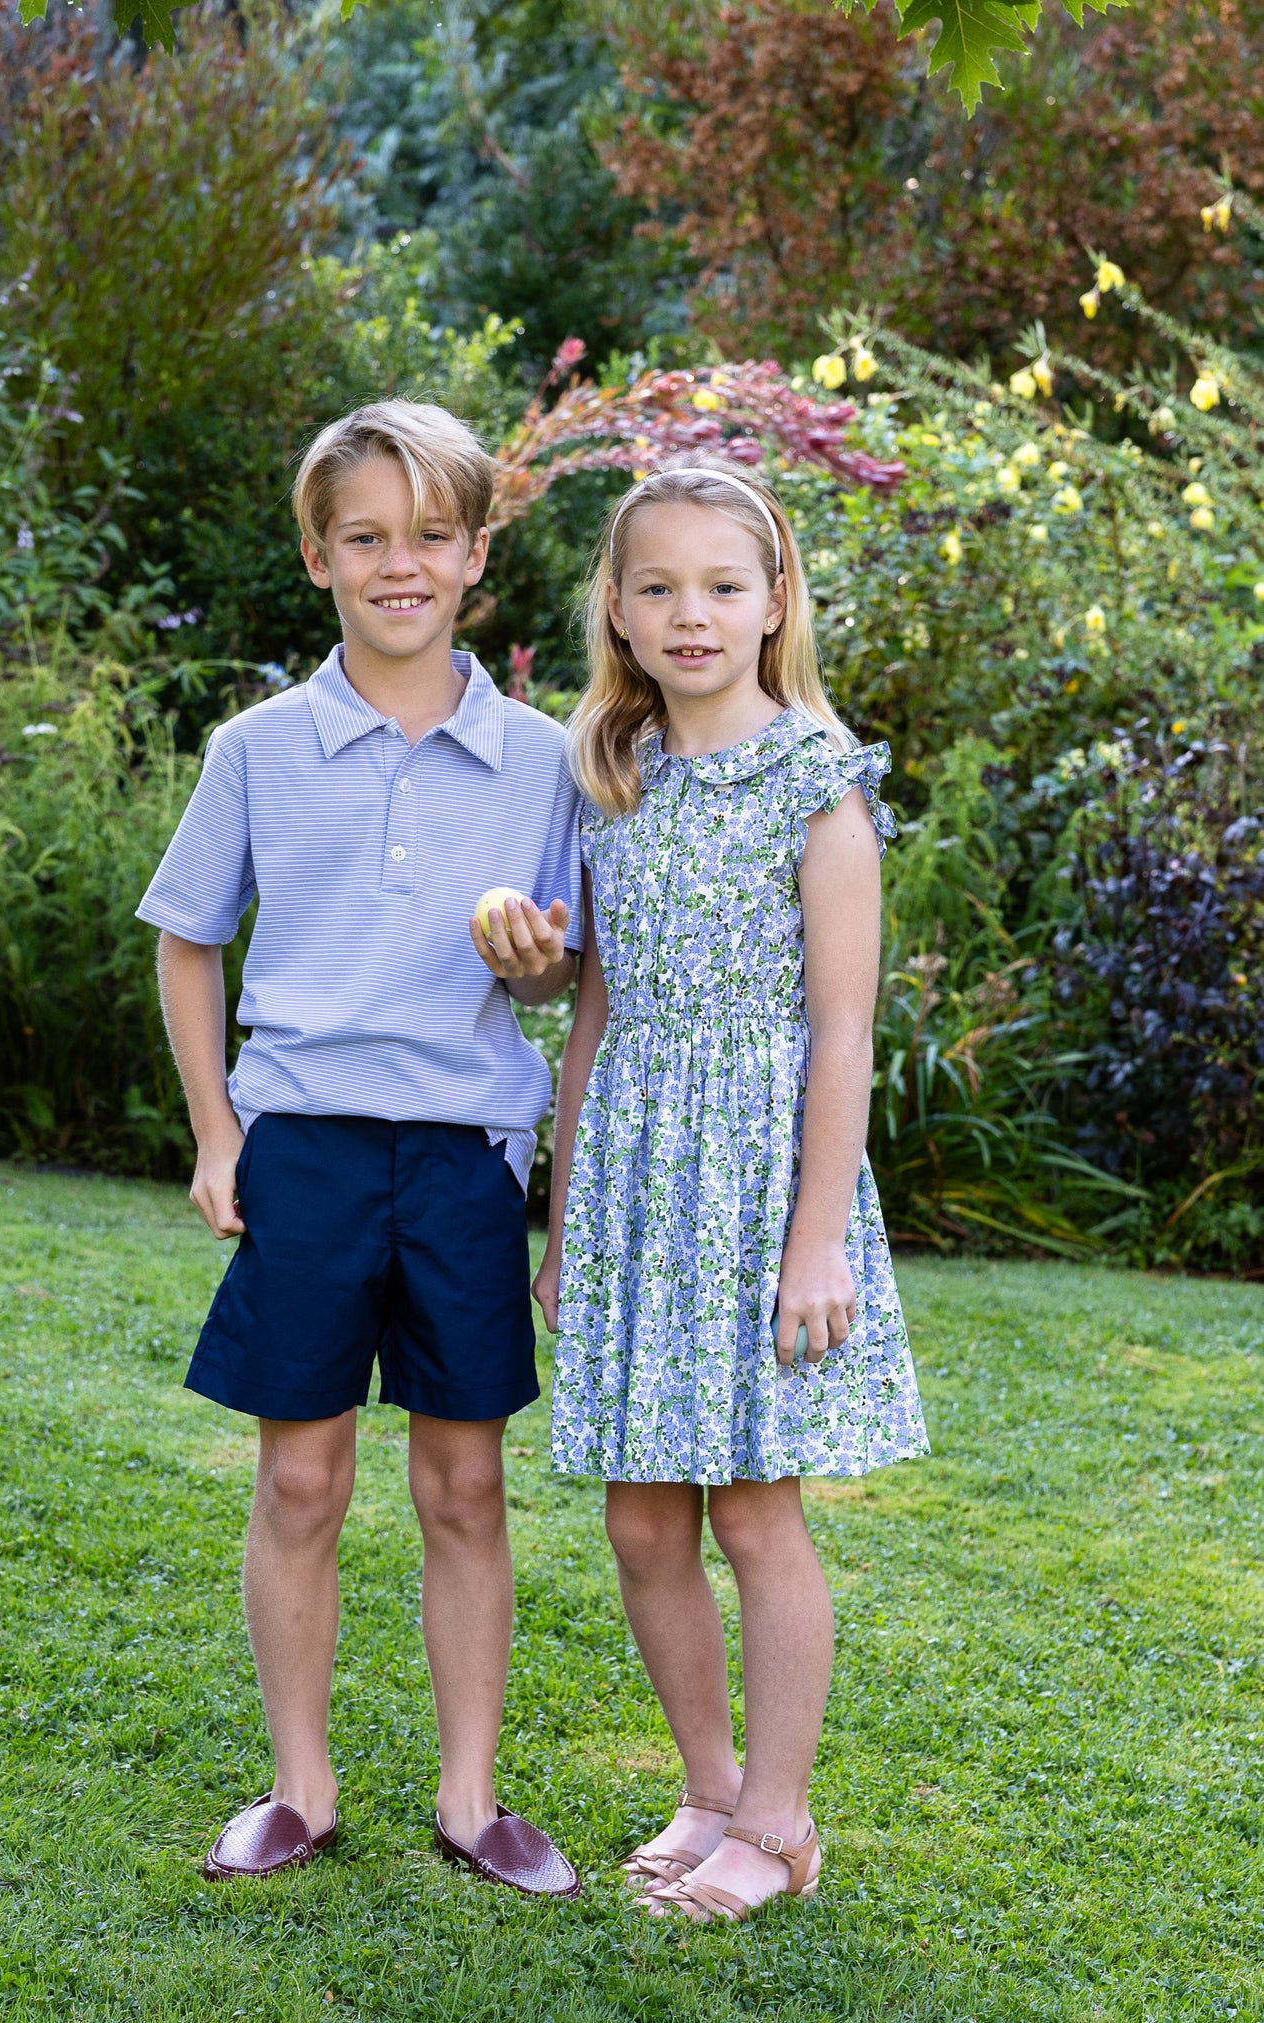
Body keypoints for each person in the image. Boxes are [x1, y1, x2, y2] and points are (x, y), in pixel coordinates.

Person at [137, 400, 582, 1898]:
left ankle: (470, 1799)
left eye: (431, 537)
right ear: (320, 556)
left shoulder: (544, 763)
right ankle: (300, 1788)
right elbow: (189, 943)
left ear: (476, 558)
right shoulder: (260, 747)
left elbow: (561, 980)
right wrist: (217, 1135)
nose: (402, 564)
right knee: (302, 1484)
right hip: (306, 1152)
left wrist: (531, 966)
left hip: (462, 1159)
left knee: (465, 1488)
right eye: (367, 537)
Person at [533, 455, 929, 1925]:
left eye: (721, 584)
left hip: (762, 1188)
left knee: (754, 1515)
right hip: (639, 1186)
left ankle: (777, 1819)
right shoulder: (610, 783)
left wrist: (813, 1238)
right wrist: (567, 1230)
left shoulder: (818, 787)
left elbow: (842, 1030)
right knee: (643, 1522)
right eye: (658, 587)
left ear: (772, 605)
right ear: (619, 614)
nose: (689, 612)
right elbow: (590, 1021)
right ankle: (704, 1789)